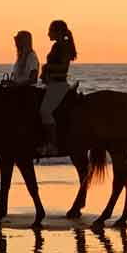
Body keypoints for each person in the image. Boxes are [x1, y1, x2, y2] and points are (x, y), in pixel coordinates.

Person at [39, 19, 78, 154]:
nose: (48, 33)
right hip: (52, 83)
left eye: (50, 30)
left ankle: (52, 144)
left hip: (58, 84)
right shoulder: (57, 46)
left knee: (45, 111)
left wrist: (46, 67)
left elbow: (63, 67)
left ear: (58, 32)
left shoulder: (63, 46)